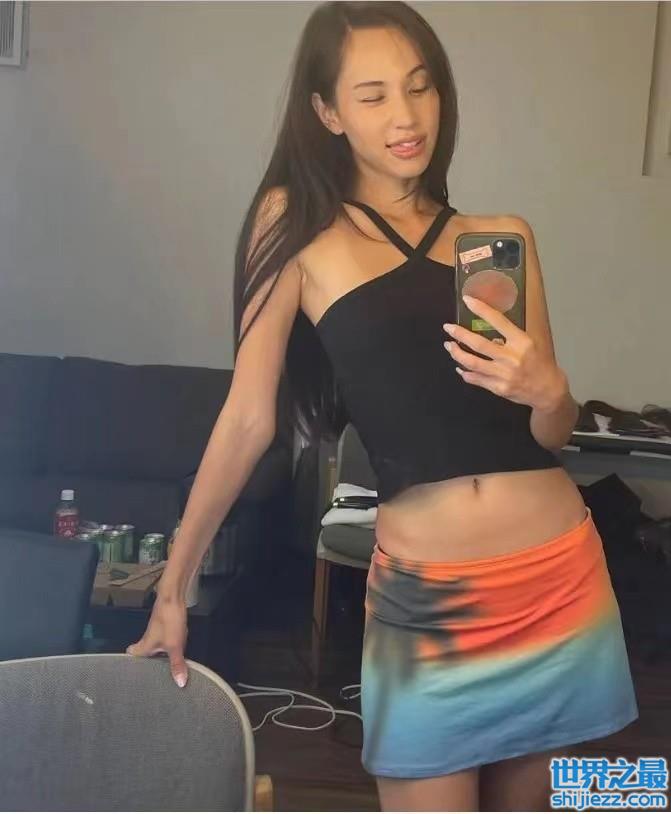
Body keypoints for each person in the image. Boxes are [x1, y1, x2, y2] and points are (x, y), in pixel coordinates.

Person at [127, 2, 639, 810]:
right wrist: (173, 584)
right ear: (328, 112)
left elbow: (552, 432)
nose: (406, 116)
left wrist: (551, 390)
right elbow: (248, 417)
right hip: (427, 598)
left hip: (554, 577)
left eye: (420, 87)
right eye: (372, 96)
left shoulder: (500, 236)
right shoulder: (296, 228)